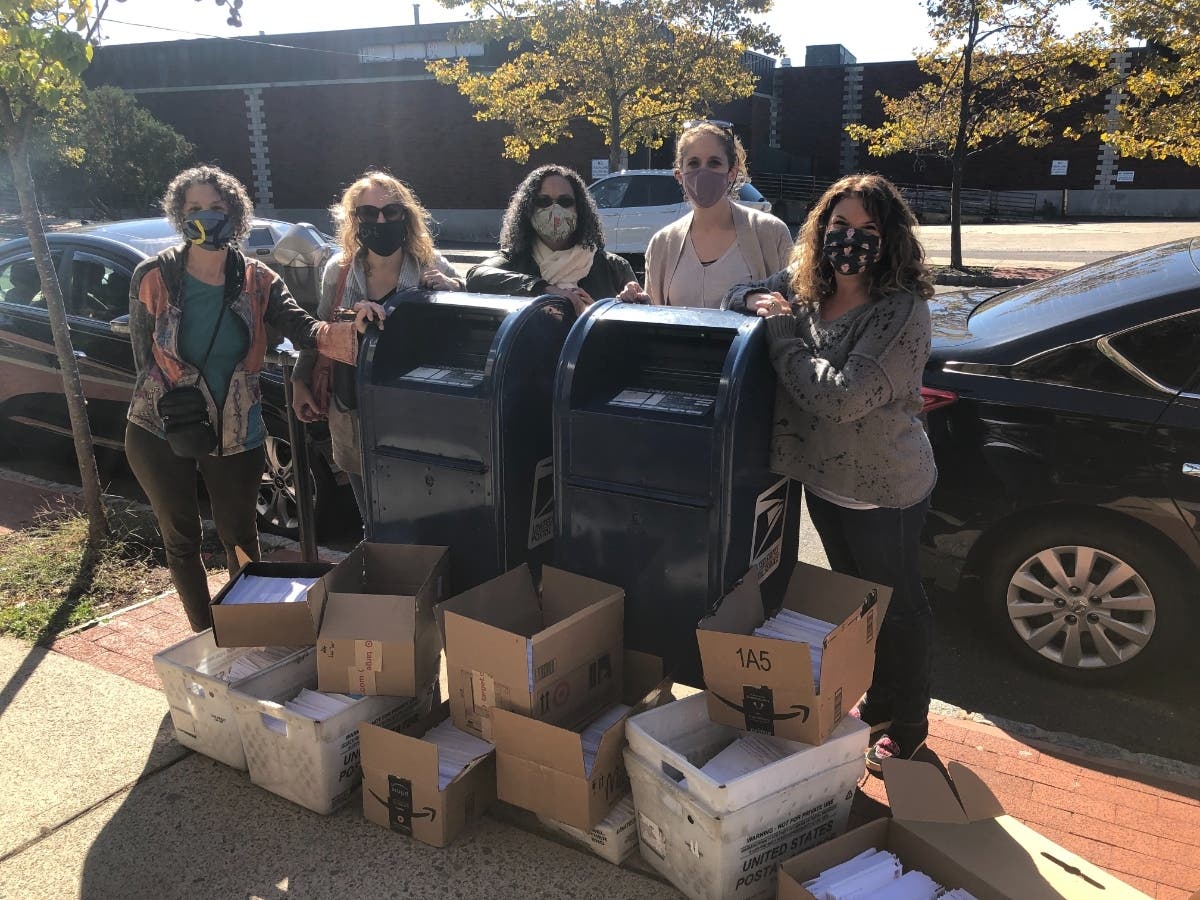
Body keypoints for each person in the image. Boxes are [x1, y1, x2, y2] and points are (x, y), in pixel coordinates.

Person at [723, 173, 937, 773]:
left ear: (890, 237)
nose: (852, 240)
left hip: (883, 487)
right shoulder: (804, 285)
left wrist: (782, 335)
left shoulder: (900, 310)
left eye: (868, 229)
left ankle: (910, 721)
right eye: (840, 226)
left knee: (899, 604)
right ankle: (875, 701)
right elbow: (738, 291)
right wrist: (752, 302)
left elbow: (842, 398)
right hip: (822, 480)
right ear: (821, 230)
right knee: (858, 601)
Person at [126, 165, 385, 632]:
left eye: (216, 208)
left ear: (235, 214)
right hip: (160, 427)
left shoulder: (257, 280)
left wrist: (353, 324)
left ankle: (245, 629)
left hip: (237, 429)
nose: (206, 217)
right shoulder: (154, 275)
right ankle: (205, 636)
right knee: (181, 539)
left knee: (241, 535)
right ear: (178, 215)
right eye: (194, 209)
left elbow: (306, 330)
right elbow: (143, 358)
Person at [290, 171, 463, 519]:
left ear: (407, 216)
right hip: (352, 410)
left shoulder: (430, 265)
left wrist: (451, 288)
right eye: (369, 213)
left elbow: (467, 309)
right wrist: (299, 380)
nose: (381, 221)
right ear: (355, 220)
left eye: (392, 212)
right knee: (372, 517)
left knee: (419, 515)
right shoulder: (337, 272)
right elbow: (318, 330)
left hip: (414, 414)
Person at [619, 120, 792, 307]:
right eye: (693, 163)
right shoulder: (662, 244)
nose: (703, 172)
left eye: (714, 163)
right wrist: (634, 299)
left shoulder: (771, 233)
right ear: (679, 175)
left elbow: (796, 307)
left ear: (732, 173)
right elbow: (653, 318)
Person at [466, 164, 638, 314]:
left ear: (580, 210)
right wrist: (544, 290)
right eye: (543, 201)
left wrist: (603, 313)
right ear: (528, 209)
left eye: (565, 202)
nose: (554, 210)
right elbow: (476, 276)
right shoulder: (514, 260)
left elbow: (637, 325)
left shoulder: (614, 267)